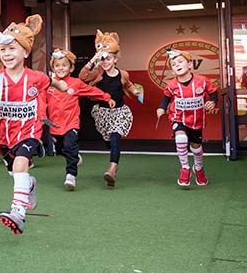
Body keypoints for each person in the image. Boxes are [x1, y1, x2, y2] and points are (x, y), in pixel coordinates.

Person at [0, 14, 70, 235]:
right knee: (14, 171)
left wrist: (63, 87)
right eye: (3, 50)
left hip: (30, 130)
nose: (7, 54)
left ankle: (18, 213)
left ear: (25, 52)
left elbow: (53, 82)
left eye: (12, 49)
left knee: (21, 164)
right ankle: (29, 185)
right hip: (5, 134)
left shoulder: (36, 77)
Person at [78, 30, 142, 188]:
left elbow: (128, 85)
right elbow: (82, 77)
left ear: (115, 59)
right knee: (109, 141)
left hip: (120, 112)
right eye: (102, 59)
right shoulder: (97, 73)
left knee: (115, 137)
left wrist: (135, 91)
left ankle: (112, 169)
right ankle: (113, 153)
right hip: (102, 113)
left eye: (108, 58)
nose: (105, 61)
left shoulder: (123, 74)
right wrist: (94, 58)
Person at [47, 48, 114, 190]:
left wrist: (107, 97)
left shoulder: (76, 83)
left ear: (71, 68)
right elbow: (41, 100)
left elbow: (91, 91)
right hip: (54, 125)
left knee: (69, 146)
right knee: (60, 149)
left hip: (71, 123)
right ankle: (75, 157)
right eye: (57, 65)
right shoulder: (49, 84)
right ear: (53, 67)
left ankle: (71, 176)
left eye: (64, 65)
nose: (61, 68)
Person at [156, 48, 219, 187]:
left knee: (196, 148)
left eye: (180, 62)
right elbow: (165, 99)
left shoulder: (202, 81)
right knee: (181, 138)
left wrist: (213, 101)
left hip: (196, 121)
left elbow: (214, 93)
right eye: (174, 64)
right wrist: (161, 108)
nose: (177, 65)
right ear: (172, 71)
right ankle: (185, 168)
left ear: (190, 65)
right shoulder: (171, 85)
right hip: (178, 118)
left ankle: (199, 168)